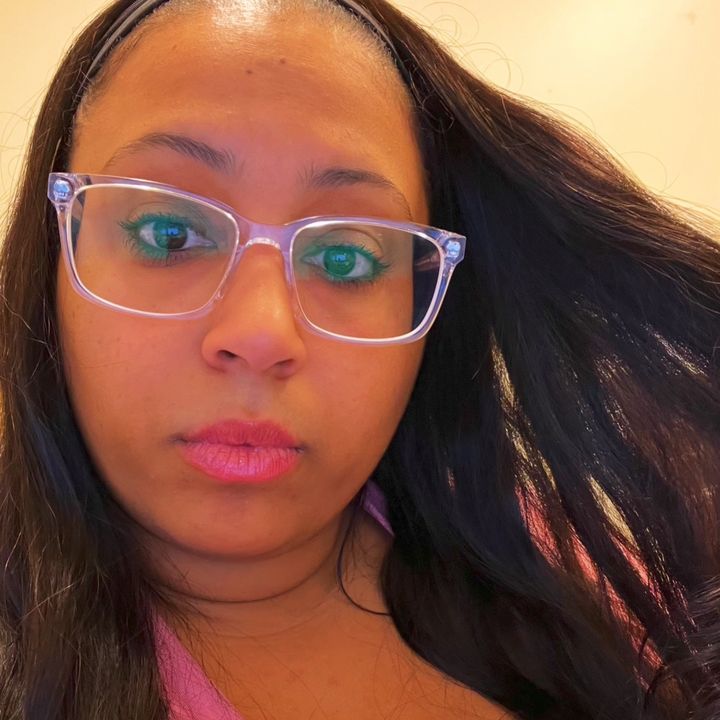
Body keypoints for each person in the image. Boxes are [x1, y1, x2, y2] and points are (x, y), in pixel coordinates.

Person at [1, 0, 718, 718]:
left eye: (344, 258)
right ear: (52, 257)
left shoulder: (539, 550)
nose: (262, 334)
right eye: (169, 234)